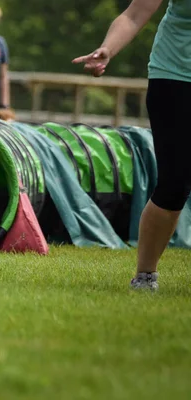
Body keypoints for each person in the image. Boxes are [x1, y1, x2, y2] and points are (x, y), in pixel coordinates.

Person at [73, 0, 191, 290]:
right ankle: (145, 275)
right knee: (175, 184)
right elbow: (135, 14)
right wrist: (108, 50)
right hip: (175, 77)